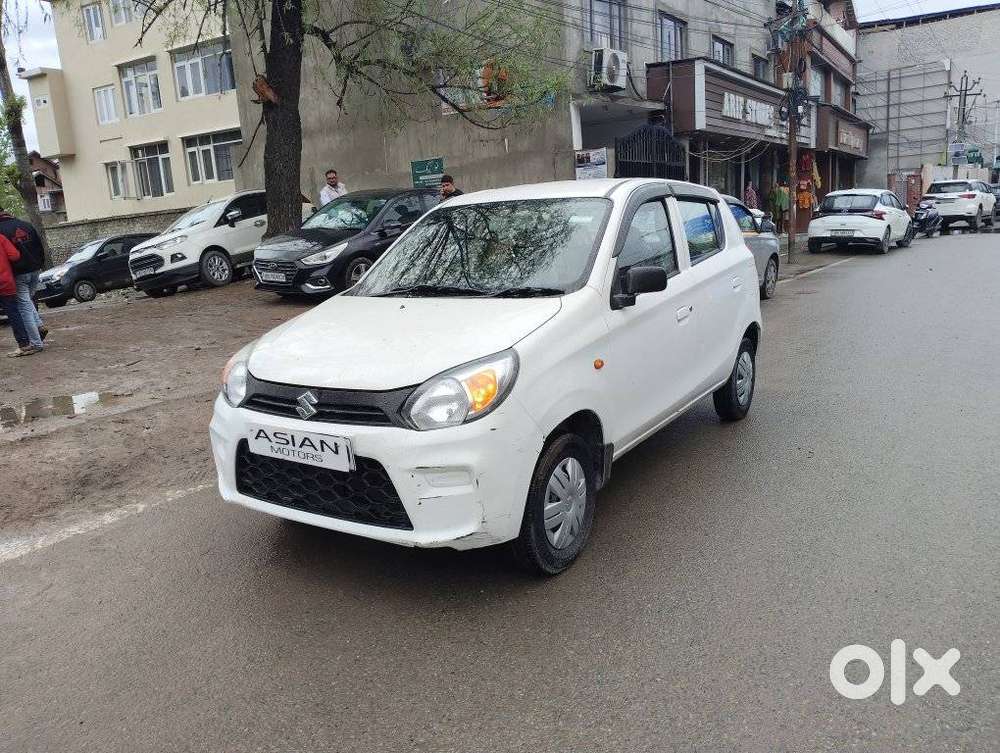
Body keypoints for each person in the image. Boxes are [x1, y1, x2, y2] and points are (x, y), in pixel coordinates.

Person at [0, 209, 47, 355]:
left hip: (18, 274)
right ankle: (39, 325)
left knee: (23, 307)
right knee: (28, 301)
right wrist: (40, 264)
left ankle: (35, 343)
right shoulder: (26, 225)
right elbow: (40, 246)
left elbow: (12, 256)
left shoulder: (1, 231)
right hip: (35, 269)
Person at [0, 231, 30, 354]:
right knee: (13, 313)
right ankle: (24, 343)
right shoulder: (1, 238)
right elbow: (15, 256)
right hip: (5, 281)